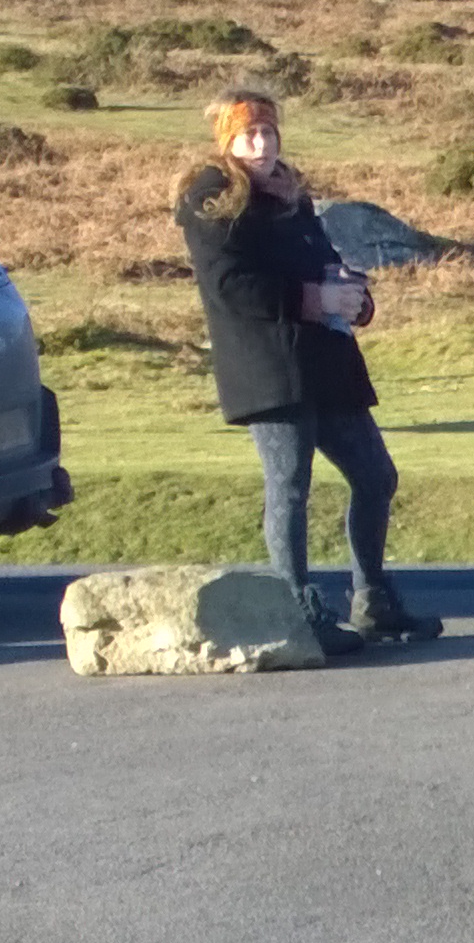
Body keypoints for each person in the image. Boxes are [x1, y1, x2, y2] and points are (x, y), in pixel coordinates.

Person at [178, 92, 433, 644]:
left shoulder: (292, 193)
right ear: (226, 140)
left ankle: (373, 600)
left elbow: (320, 262)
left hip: (326, 362)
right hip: (269, 369)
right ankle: (297, 611)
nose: (262, 144)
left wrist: (353, 298)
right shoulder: (212, 196)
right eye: (249, 134)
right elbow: (230, 287)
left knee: (376, 476)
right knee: (289, 487)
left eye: (268, 132)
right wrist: (314, 300)